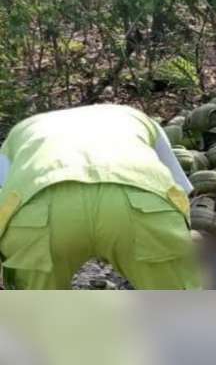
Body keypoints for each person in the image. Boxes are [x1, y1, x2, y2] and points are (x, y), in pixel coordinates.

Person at [0, 104, 201, 289]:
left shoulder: (19, 132)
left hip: (40, 214)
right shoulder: (139, 119)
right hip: (140, 204)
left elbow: (6, 196)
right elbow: (179, 188)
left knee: (35, 318)